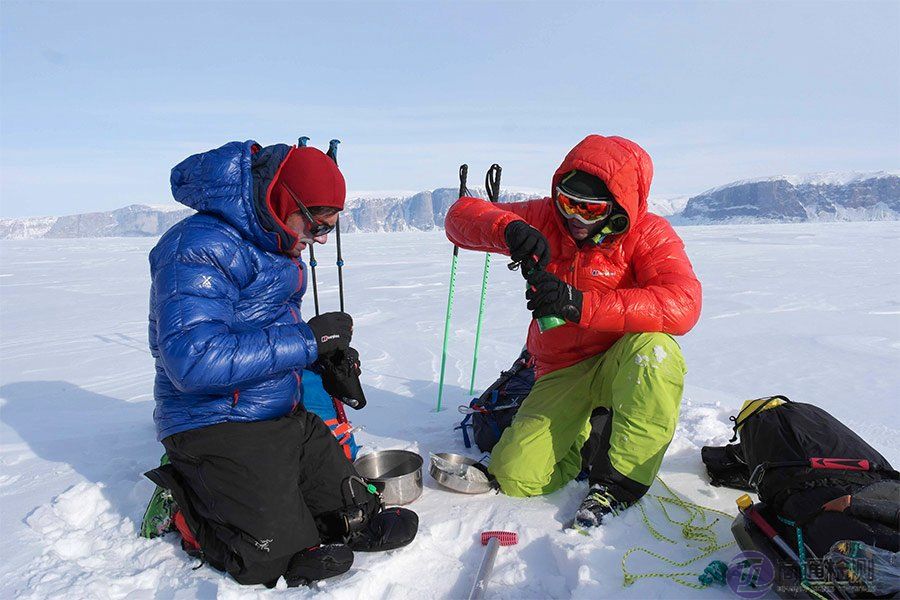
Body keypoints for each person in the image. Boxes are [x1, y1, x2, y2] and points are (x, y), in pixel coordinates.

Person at [146, 140, 417, 587]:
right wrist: (307, 342)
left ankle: (305, 516)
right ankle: (188, 510)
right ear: (283, 201)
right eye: (317, 225)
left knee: (352, 509)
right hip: (212, 419)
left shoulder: (275, 238)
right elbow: (193, 362)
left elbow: (266, 331)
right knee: (267, 554)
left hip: (277, 412)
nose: (321, 239)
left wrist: (324, 361)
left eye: (330, 228)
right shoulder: (196, 247)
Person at [445, 134, 702, 529]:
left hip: (620, 362)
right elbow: (459, 218)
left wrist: (578, 304)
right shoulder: (546, 218)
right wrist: (507, 229)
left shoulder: (649, 234)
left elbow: (683, 304)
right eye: (567, 203)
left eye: (589, 208)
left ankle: (618, 485)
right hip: (560, 368)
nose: (574, 218)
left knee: (656, 352)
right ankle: (583, 441)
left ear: (617, 207)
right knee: (514, 476)